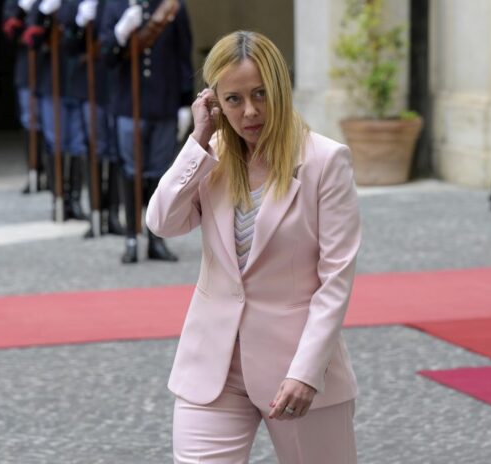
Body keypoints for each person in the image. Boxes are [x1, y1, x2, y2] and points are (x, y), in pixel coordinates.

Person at [146, 31, 361, 463]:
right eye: (234, 99)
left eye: (260, 93)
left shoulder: (325, 161)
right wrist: (198, 140)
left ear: (280, 87)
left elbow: (335, 279)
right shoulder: (211, 157)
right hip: (212, 368)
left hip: (296, 368)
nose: (250, 111)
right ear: (215, 102)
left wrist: (307, 372)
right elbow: (162, 222)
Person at [100, 0, 193, 263]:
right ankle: (131, 236)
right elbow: (106, 57)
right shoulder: (115, 6)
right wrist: (120, 34)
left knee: (159, 174)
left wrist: (185, 101)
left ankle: (155, 238)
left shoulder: (172, 5)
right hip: (128, 104)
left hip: (164, 102)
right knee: (131, 172)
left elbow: (183, 55)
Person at [60, 0, 125, 236]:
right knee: (95, 149)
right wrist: (80, 24)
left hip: (117, 85)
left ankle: (114, 213)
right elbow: (67, 46)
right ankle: (96, 211)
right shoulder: (76, 3)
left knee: (116, 152)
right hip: (89, 86)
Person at [22, 0, 89, 221]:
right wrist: (43, 15)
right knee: (55, 142)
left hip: (78, 81)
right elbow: (30, 40)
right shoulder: (43, 4)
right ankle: (58, 198)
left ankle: (75, 200)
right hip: (51, 82)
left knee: (78, 144)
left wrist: (80, 24)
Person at [2, 0, 47, 193]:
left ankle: (54, 175)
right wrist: (21, 12)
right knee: (30, 122)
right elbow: (10, 32)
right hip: (27, 69)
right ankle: (34, 171)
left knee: (53, 126)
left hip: (50, 69)